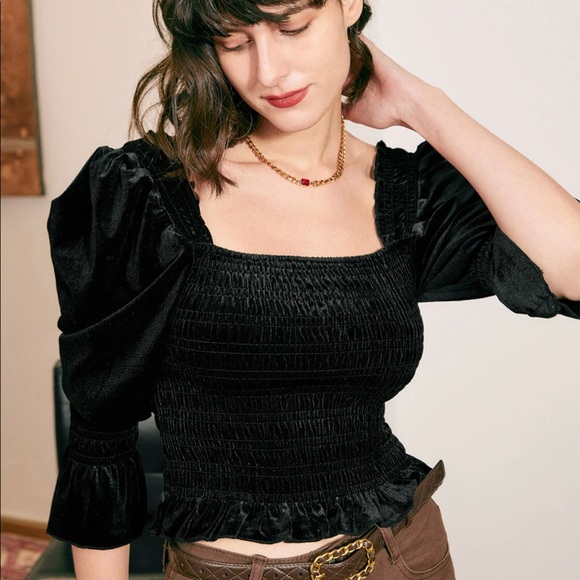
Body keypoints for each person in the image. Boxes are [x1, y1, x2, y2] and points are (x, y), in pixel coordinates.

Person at [45, 1, 580, 579]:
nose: (269, 72)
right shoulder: (144, 193)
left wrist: (422, 105)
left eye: (292, 26)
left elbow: (571, 265)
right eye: (235, 42)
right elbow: (100, 437)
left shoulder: (408, 196)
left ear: (348, 6)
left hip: (400, 557)